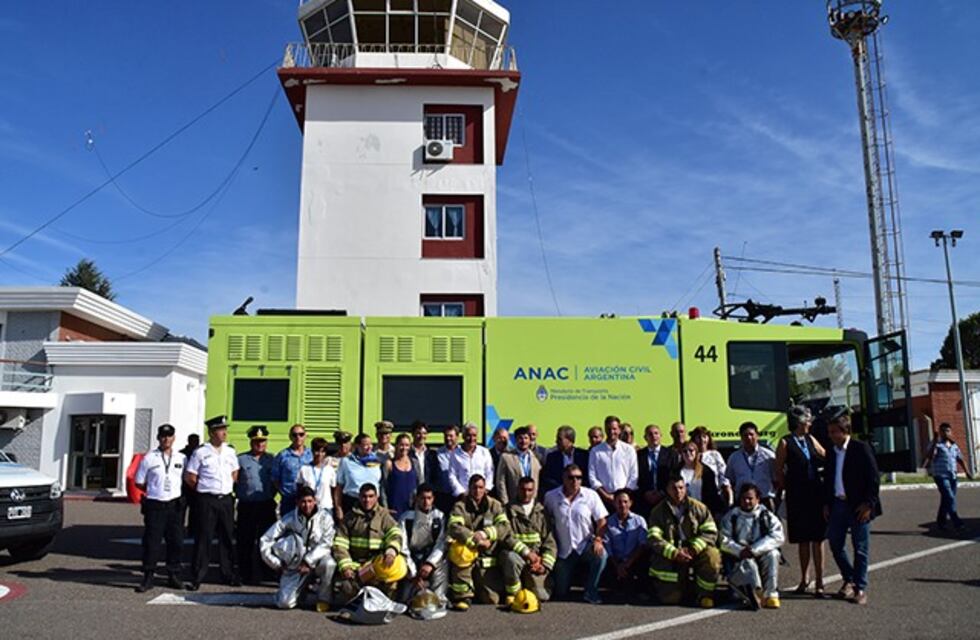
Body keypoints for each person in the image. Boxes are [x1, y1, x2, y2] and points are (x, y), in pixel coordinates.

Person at [824, 414, 880, 605]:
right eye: (829, 432)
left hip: (858, 506)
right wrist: (827, 504)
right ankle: (849, 578)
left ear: (844, 431)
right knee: (835, 544)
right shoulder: (832, 452)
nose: (830, 435)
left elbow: (874, 478)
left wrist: (869, 503)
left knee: (860, 548)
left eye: (834, 432)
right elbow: (829, 478)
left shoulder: (860, 448)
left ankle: (860, 588)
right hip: (838, 504)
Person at [774, 406, 827, 597]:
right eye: (807, 421)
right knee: (803, 540)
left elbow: (825, 455)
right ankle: (805, 578)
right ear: (798, 422)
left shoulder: (810, 439)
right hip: (797, 496)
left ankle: (820, 581)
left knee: (818, 539)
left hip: (816, 494)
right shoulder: (785, 443)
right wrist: (784, 488)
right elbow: (778, 470)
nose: (810, 424)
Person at [646, 473, 721, 608]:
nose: (678, 492)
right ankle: (684, 590)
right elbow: (654, 538)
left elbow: (710, 532)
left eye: (681, 488)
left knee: (713, 556)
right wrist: (674, 553)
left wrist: (693, 549)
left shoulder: (699, 507)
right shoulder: (657, 512)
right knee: (670, 599)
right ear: (667, 490)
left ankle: (705, 594)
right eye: (674, 488)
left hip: (695, 550)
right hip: (672, 554)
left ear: (685, 488)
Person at [184, 415, 241, 590]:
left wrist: (224, 487)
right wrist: (206, 488)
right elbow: (190, 477)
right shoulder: (201, 452)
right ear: (212, 432)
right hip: (207, 499)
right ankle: (198, 576)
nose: (224, 433)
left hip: (225, 499)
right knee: (204, 538)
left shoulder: (230, 451)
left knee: (226, 537)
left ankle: (228, 574)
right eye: (221, 429)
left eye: (225, 429)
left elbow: (235, 473)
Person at [259, 486, 336, 610]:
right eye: (303, 502)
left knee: (329, 564)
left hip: (317, 560)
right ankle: (300, 591)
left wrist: (308, 561)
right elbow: (265, 540)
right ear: (297, 502)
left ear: (315, 501)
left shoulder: (325, 518)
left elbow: (327, 543)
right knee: (285, 604)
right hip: (295, 564)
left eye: (310, 501)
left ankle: (324, 598)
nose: (307, 505)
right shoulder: (288, 519)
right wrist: (276, 564)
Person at [544, 464, 608, 604]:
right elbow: (546, 522)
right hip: (563, 550)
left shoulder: (591, 495)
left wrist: (598, 539)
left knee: (601, 555)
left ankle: (591, 591)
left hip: (585, 546)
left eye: (579, 478)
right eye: (571, 478)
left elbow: (602, 521)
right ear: (564, 478)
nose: (575, 481)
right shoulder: (551, 496)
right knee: (561, 592)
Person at [134, 423, 186, 593]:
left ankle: (173, 575)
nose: (166, 439)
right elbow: (139, 482)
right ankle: (148, 576)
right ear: (158, 438)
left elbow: (185, 479)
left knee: (176, 542)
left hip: (174, 505)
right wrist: (154, 490)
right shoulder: (149, 458)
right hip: (155, 505)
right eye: (163, 436)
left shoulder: (181, 458)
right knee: (152, 542)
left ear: (174, 438)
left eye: (169, 436)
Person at [333, 483, 404, 604]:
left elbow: (395, 534)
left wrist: (391, 552)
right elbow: (340, 544)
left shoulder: (384, 516)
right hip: (357, 567)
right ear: (359, 497)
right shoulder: (349, 518)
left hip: (378, 566)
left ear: (377, 497)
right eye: (364, 496)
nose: (367, 500)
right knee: (347, 588)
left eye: (371, 496)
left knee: (391, 585)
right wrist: (346, 566)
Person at [446, 474, 510, 610]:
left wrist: (485, 533)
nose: (477, 491)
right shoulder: (460, 506)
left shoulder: (495, 505)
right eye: (474, 487)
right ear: (469, 488)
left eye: (481, 487)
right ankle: (462, 596)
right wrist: (475, 540)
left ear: (485, 489)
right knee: (458, 551)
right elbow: (454, 527)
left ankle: (479, 588)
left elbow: (505, 526)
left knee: (492, 600)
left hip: (486, 558)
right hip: (467, 554)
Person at [720, 482, 785, 610]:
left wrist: (755, 549)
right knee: (748, 563)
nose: (747, 501)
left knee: (773, 555)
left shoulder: (766, 515)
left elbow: (778, 536)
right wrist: (739, 551)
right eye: (744, 498)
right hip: (739, 555)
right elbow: (723, 539)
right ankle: (754, 593)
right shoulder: (732, 516)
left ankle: (771, 594)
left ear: (758, 499)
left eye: (750, 498)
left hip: (760, 551)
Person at [501, 476, 556, 603]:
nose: (526, 493)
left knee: (542, 596)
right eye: (523, 489)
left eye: (530, 490)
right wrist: (526, 553)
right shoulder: (507, 510)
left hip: (536, 562)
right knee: (510, 558)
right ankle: (513, 594)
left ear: (534, 490)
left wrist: (544, 565)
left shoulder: (541, 512)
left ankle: (532, 583)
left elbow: (550, 542)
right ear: (517, 489)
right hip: (517, 556)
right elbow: (506, 537)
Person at [235, 425, 277, 585]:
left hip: (266, 504)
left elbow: (275, 481)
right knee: (245, 540)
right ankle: (245, 573)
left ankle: (266, 572)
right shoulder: (241, 459)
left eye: (262, 441)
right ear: (251, 441)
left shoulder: (271, 459)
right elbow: (235, 480)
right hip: (247, 505)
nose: (260, 444)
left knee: (266, 540)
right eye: (256, 441)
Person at [397, 483, 448, 602]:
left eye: (429, 498)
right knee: (405, 599)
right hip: (411, 558)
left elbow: (441, 543)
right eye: (423, 498)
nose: (426, 502)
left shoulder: (439, 516)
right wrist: (413, 573)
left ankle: (440, 597)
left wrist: (430, 563)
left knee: (438, 599)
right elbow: (403, 546)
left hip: (431, 558)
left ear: (433, 499)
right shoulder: (406, 518)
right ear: (417, 498)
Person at [922, 422, 973, 531]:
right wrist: (935, 441)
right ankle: (957, 521)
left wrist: (967, 472)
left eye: (947, 431)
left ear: (951, 432)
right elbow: (930, 456)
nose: (945, 433)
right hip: (940, 475)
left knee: (947, 499)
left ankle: (941, 521)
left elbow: (960, 459)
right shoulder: (936, 444)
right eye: (943, 431)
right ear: (939, 432)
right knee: (949, 497)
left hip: (953, 475)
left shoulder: (954, 445)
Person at [603, 489, 649, 601]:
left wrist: (627, 564)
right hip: (615, 562)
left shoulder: (640, 521)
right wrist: (618, 566)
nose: (622, 505)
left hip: (634, 560)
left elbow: (642, 545)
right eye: (619, 502)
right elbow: (608, 548)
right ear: (614, 503)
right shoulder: (608, 522)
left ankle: (642, 590)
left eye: (625, 501)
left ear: (630, 503)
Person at [588, 415, 638, 510]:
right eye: (608, 429)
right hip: (603, 500)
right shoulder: (595, 451)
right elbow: (592, 476)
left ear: (619, 430)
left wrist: (623, 496)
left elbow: (633, 475)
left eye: (614, 429)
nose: (612, 432)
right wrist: (606, 495)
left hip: (625, 501)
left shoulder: (629, 450)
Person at [725, 422, 777, 510]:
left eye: (751, 434)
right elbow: (731, 480)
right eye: (745, 435)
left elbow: (776, 480)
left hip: (765, 500)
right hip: (743, 502)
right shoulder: (734, 458)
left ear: (757, 436)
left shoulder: (769, 456)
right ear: (741, 437)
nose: (749, 438)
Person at [334, 433, 384, 518]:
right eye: (366, 445)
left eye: (370, 444)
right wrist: (338, 508)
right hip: (352, 503)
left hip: (372, 504)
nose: (369, 447)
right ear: (357, 446)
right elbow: (339, 487)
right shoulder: (346, 462)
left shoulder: (376, 461)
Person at [273, 424, 313, 516]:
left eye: (301, 434)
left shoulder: (311, 454)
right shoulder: (282, 456)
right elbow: (275, 478)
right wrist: (283, 492)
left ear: (305, 435)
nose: (298, 437)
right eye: (295, 435)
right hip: (289, 499)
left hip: (308, 500)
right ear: (290, 437)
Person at [448, 422, 495, 501]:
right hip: (463, 496)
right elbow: (452, 476)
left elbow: (489, 473)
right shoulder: (455, 454)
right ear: (463, 436)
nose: (471, 438)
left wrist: (485, 490)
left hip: (482, 496)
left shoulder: (484, 452)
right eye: (468, 435)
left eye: (474, 435)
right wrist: (462, 493)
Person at [496, 426, 542, 505]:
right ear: (515, 440)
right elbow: (501, 482)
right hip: (513, 502)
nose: (523, 441)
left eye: (526, 438)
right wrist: (505, 502)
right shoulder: (506, 457)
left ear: (530, 440)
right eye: (520, 438)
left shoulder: (536, 458)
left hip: (531, 502)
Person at [678, 441, 724, 515]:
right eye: (685, 451)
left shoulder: (706, 471)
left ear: (696, 452)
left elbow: (712, 493)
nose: (688, 453)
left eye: (691, 450)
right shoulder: (676, 471)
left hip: (702, 509)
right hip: (682, 511)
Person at [690, 426, 732, 508]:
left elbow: (723, 474)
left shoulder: (715, 454)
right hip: (695, 496)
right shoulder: (690, 454)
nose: (702, 440)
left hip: (714, 495)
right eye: (698, 437)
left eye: (704, 437)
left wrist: (727, 490)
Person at [541, 425, 589, 496]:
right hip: (559, 495)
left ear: (569, 440)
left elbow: (587, 477)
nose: (556, 441)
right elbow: (548, 478)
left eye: (559, 439)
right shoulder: (552, 457)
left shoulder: (583, 455)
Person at [637, 424, 673, 513]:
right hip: (644, 500)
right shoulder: (639, 455)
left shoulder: (671, 454)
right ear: (645, 438)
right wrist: (645, 493)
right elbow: (636, 476)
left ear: (661, 436)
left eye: (656, 433)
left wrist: (662, 492)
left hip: (665, 498)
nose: (654, 436)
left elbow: (673, 475)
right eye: (650, 434)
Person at [297, 437, 337, 518]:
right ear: (312, 451)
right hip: (309, 508)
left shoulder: (329, 470)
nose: (319, 454)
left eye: (322, 451)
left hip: (325, 507)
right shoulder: (304, 469)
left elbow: (334, 490)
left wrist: (336, 507)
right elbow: (299, 488)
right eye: (317, 451)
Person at [383, 433, 419, 517]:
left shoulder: (414, 462)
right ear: (396, 446)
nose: (404, 448)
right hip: (394, 508)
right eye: (401, 445)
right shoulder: (389, 463)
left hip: (412, 508)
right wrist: (385, 508)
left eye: (407, 445)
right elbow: (383, 488)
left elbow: (420, 484)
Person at [436, 425, 462, 513]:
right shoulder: (438, 454)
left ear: (457, 437)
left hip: (461, 496)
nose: (448, 438)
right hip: (444, 496)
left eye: (451, 436)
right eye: (446, 436)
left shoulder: (463, 453)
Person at [179, 433, 201, 533]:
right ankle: (179, 529)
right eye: (193, 441)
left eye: (197, 441)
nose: (195, 443)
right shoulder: (182, 454)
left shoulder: (200, 453)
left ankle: (193, 529)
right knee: (181, 509)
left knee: (195, 510)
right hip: (184, 487)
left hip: (196, 486)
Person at [409, 420, 440, 487]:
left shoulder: (432, 455)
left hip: (427, 493)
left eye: (424, 433)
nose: (421, 436)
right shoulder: (407, 453)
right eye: (418, 433)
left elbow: (436, 476)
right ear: (413, 434)